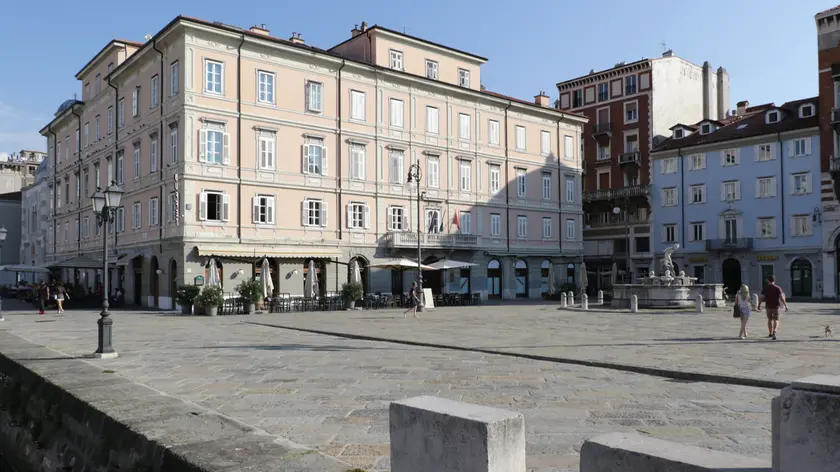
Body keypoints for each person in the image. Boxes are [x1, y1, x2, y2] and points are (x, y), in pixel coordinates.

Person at [757, 275, 788, 340]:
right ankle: (774, 331)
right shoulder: (778, 288)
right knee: (776, 320)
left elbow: (761, 297)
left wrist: (759, 306)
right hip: (776, 306)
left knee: (769, 320)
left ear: (768, 280)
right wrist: (785, 305)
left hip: (768, 306)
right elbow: (781, 298)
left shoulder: (765, 288)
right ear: (774, 280)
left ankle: (770, 333)